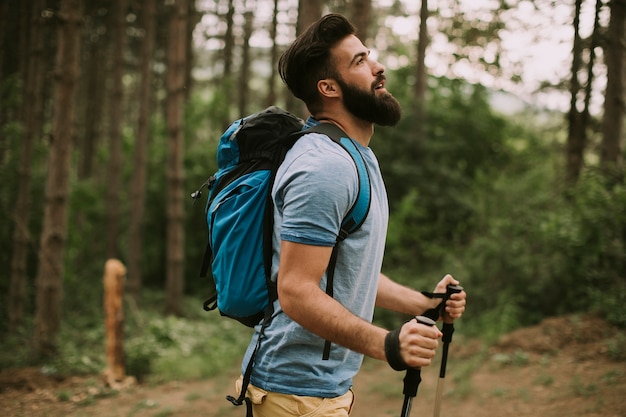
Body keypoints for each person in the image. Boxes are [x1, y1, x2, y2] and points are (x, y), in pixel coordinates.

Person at [235, 13, 467, 416]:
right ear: (328, 87)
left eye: (369, 56)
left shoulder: (355, 156)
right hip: (295, 395)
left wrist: (424, 304)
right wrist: (388, 344)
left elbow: (345, 273)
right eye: (359, 61)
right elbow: (296, 290)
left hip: (317, 392)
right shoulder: (324, 167)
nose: (378, 68)